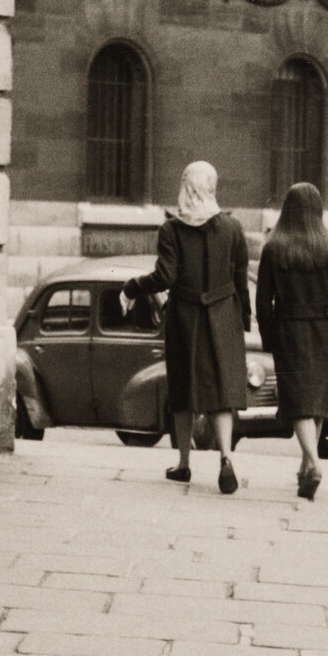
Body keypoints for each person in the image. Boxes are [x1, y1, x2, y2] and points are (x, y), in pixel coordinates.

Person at [123, 161, 251, 492]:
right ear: (212, 187)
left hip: (186, 318)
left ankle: (183, 464)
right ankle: (225, 458)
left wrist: (132, 288)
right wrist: (244, 319)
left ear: (185, 186)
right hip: (223, 316)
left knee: (184, 392)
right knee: (221, 393)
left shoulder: (171, 230)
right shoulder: (233, 228)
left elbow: (165, 277)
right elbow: (240, 280)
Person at [254, 181, 328, 501]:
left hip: (290, 331)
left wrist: (269, 339)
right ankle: (306, 466)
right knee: (317, 399)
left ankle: (314, 465)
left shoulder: (275, 248)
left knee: (298, 402)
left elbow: (263, 303)